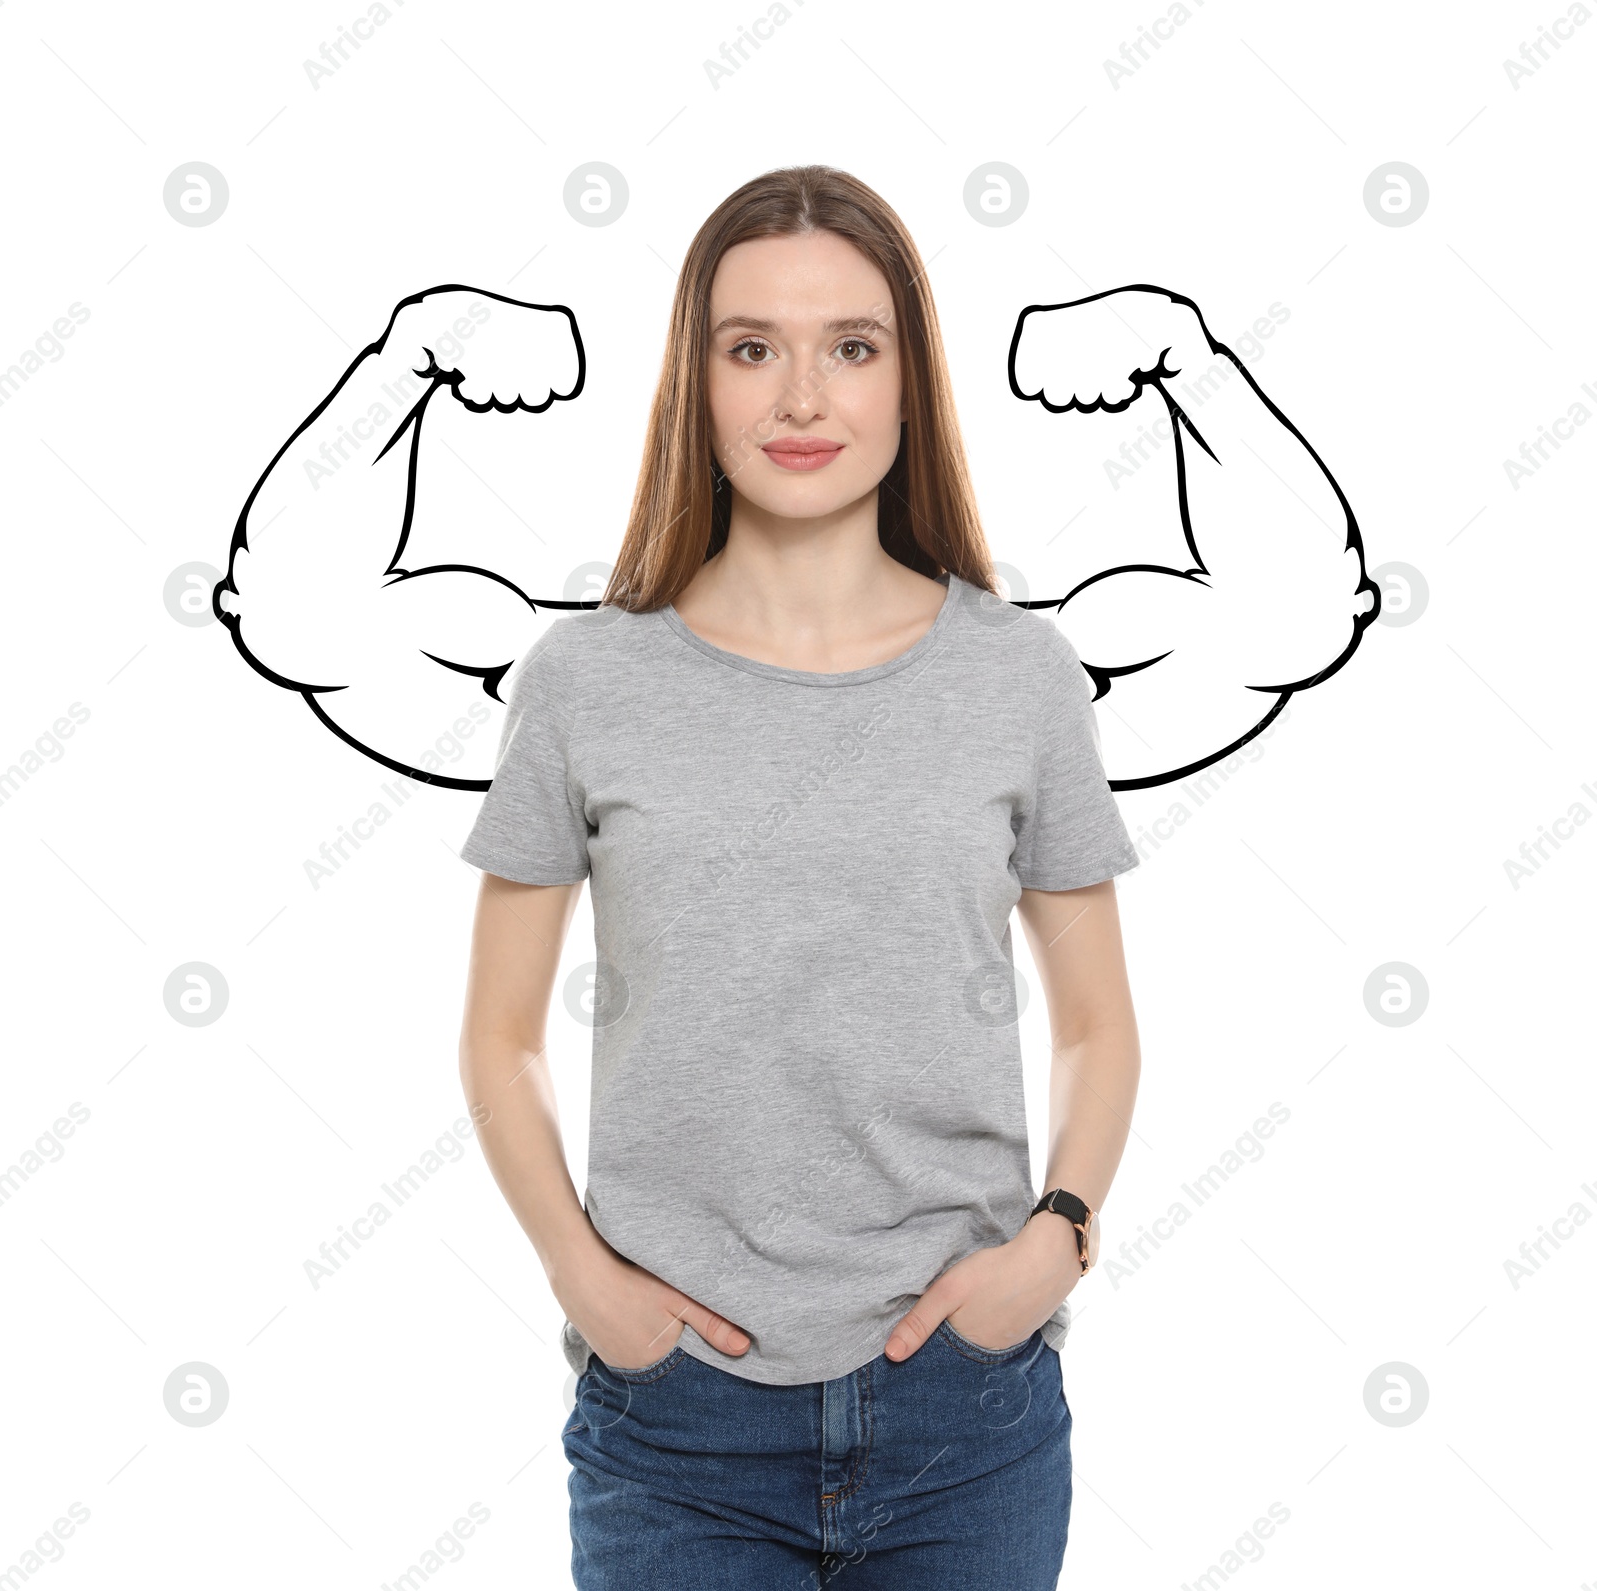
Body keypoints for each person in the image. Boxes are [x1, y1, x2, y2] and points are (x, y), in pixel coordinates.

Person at [456, 163, 1142, 1588]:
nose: (801, 398)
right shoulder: (586, 681)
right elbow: (497, 1036)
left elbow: (1095, 1022)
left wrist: (1057, 1243)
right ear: (695, 385)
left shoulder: (1020, 678)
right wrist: (585, 1282)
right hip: (677, 1421)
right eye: (752, 347)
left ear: (910, 383)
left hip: (970, 1408)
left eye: (852, 347)